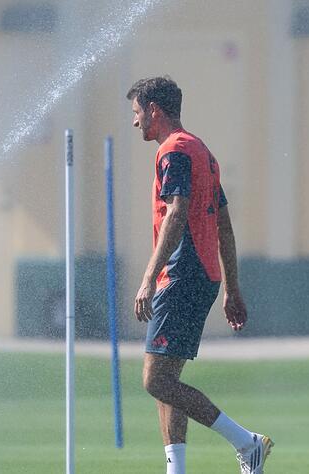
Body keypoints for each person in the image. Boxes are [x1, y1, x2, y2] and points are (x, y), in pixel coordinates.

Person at [126, 76, 273, 474]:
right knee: (167, 378)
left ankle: (247, 442)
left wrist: (148, 277)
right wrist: (232, 288)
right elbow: (224, 224)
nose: (135, 123)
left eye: (137, 113)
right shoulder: (203, 152)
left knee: (155, 380)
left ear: (155, 110)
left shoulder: (174, 151)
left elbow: (176, 213)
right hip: (202, 275)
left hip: (181, 274)